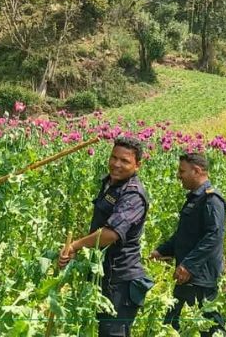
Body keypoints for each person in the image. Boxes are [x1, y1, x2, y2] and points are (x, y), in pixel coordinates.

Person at [58, 136, 153, 337]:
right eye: (113, 157)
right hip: (102, 273)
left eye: (125, 161)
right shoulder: (110, 183)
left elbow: (111, 234)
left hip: (120, 281)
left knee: (113, 333)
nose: (116, 164)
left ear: (138, 165)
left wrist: (75, 246)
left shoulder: (133, 195)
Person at [149, 152, 226, 336]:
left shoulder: (211, 200)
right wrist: (161, 251)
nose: (178, 175)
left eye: (182, 171)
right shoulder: (195, 199)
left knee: (210, 325)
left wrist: (189, 266)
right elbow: (183, 236)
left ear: (197, 171)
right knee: (169, 323)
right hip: (186, 273)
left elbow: (213, 237)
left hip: (200, 275)